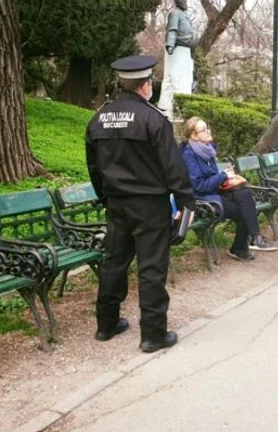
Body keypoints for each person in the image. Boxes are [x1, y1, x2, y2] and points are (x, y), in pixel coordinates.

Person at [85, 55, 196, 354]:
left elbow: (93, 166)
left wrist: (106, 197)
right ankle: (153, 335)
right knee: (151, 267)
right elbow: (173, 166)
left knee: (113, 262)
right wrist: (186, 200)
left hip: (117, 204)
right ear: (145, 86)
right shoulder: (153, 119)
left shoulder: (99, 118)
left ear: (122, 83)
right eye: (150, 84)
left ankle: (105, 325)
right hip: (149, 205)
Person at [180, 116, 276, 261]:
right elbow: (199, 185)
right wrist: (223, 176)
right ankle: (240, 248)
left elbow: (211, 177)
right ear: (194, 135)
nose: (208, 131)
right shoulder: (188, 154)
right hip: (201, 199)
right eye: (204, 130)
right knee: (245, 209)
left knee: (245, 194)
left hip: (214, 191)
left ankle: (255, 237)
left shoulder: (207, 150)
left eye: (208, 128)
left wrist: (227, 177)